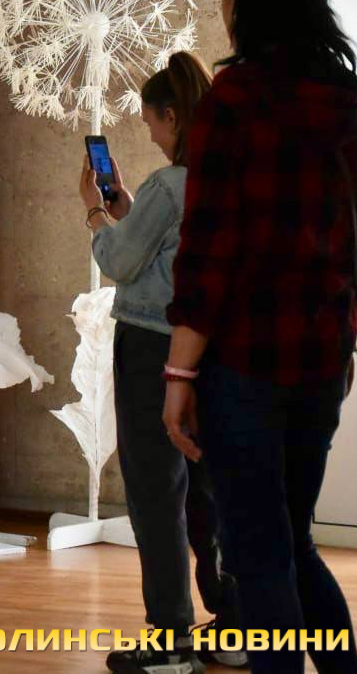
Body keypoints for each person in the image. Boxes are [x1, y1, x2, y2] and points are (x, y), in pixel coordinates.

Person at [164, 0, 357, 674]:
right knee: (292, 540)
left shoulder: (232, 105)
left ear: (245, 4)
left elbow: (208, 253)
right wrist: (343, 328)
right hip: (319, 365)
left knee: (257, 553)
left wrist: (179, 375)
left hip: (242, 368)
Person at [81, 52, 245, 674]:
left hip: (153, 348)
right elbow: (169, 253)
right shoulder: (227, 179)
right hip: (211, 350)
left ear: (172, 117)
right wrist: (128, 213)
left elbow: (118, 263)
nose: (148, 132)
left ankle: (170, 639)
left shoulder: (168, 185)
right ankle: (235, 626)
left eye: (150, 121)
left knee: (156, 493)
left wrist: (95, 212)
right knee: (208, 491)